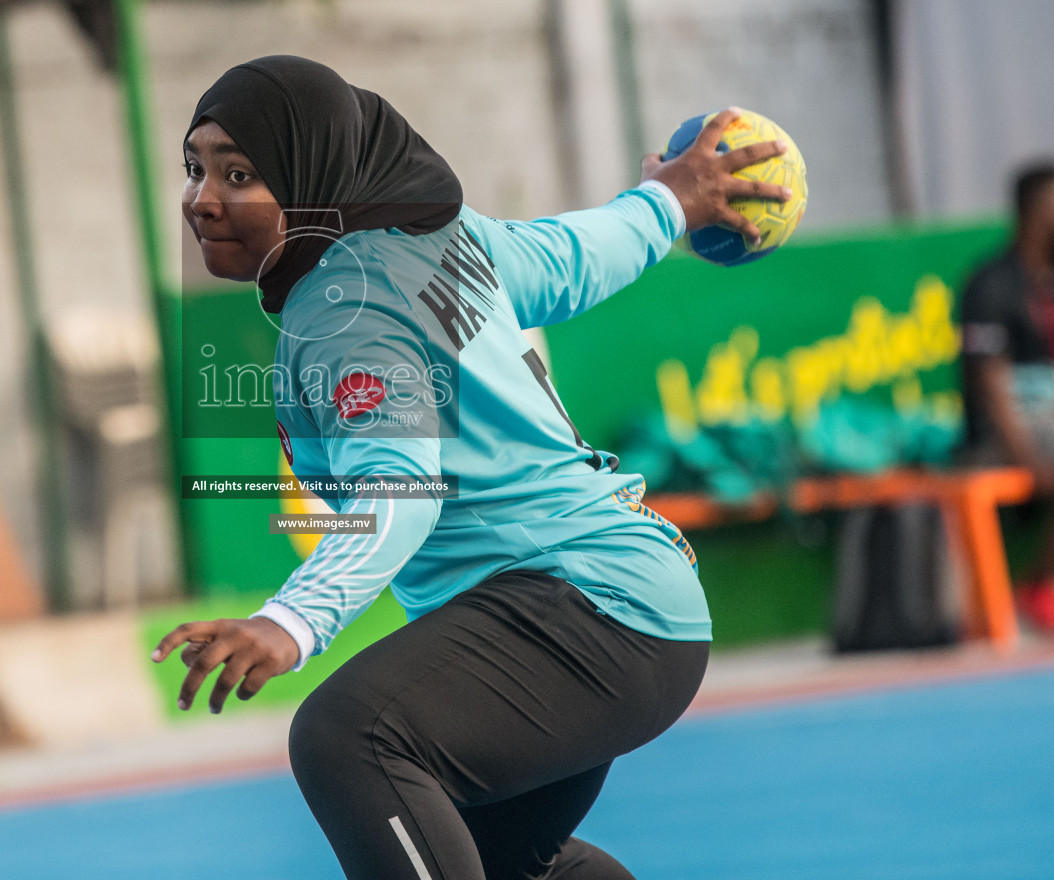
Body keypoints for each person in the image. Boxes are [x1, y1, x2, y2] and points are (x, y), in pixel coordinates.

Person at [153, 56, 790, 880]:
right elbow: (570, 257)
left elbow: (398, 487)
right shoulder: (435, 241)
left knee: (350, 736)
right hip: (623, 603)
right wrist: (669, 202)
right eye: (195, 167)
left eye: (239, 173)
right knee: (509, 864)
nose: (202, 198)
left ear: (312, 175)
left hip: (578, 607)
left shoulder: (345, 314)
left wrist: (291, 622)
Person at [959, 161, 1054, 635]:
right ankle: (1038, 584)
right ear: (1039, 214)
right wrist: (1024, 454)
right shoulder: (990, 284)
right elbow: (990, 385)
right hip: (1007, 429)